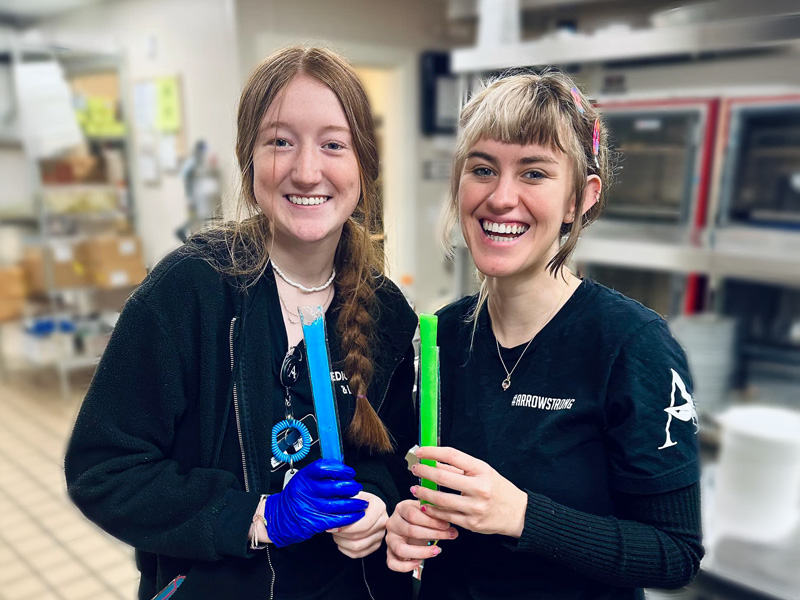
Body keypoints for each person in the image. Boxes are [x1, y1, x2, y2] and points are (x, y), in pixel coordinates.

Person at [65, 46, 417, 600]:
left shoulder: (388, 312)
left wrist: (374, 503)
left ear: (362, 166)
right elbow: (104, 469)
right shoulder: (188, 291)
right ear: (247, 158)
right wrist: (255, 516)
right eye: (280, 141)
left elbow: (389, 456)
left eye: (333, 144)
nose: (306, 171)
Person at [386, 70, 703, 599]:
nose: (501, 197)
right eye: (483, 169)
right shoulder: (441, 336)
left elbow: (674, 554)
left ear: (580, 198)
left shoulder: (632, 345)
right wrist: (404, 525)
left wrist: (523, 516)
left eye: (534, 173)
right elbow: (413, 495)